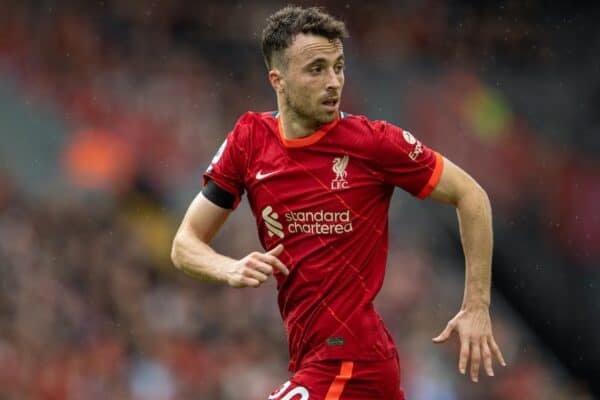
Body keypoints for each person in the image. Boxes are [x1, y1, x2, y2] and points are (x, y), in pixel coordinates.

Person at [171, 5, 506, 399]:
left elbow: (472, 196)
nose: (334, 81)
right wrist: (228, 268)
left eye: (339, 66)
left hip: (351, 360)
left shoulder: (373, 143)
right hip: (315, 360)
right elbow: (185, 245)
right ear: (277, 80)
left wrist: (477, 306)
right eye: (316, 69)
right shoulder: (249, 140)